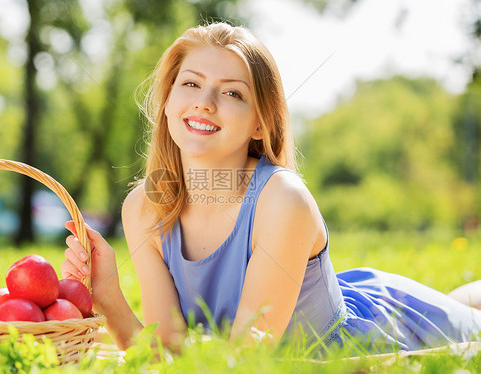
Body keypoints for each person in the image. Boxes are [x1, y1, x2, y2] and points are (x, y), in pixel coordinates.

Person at [62, 22, 481, 354]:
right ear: (168, 101)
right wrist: (108, 297)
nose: (204, 101)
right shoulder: (144, 207)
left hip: (383, 333)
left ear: (260, 124)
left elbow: (245, 359)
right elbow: (166, 352)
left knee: (470, 322)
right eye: (190, 83)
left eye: (232, 93)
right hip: (339, 298)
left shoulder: (282, 200)